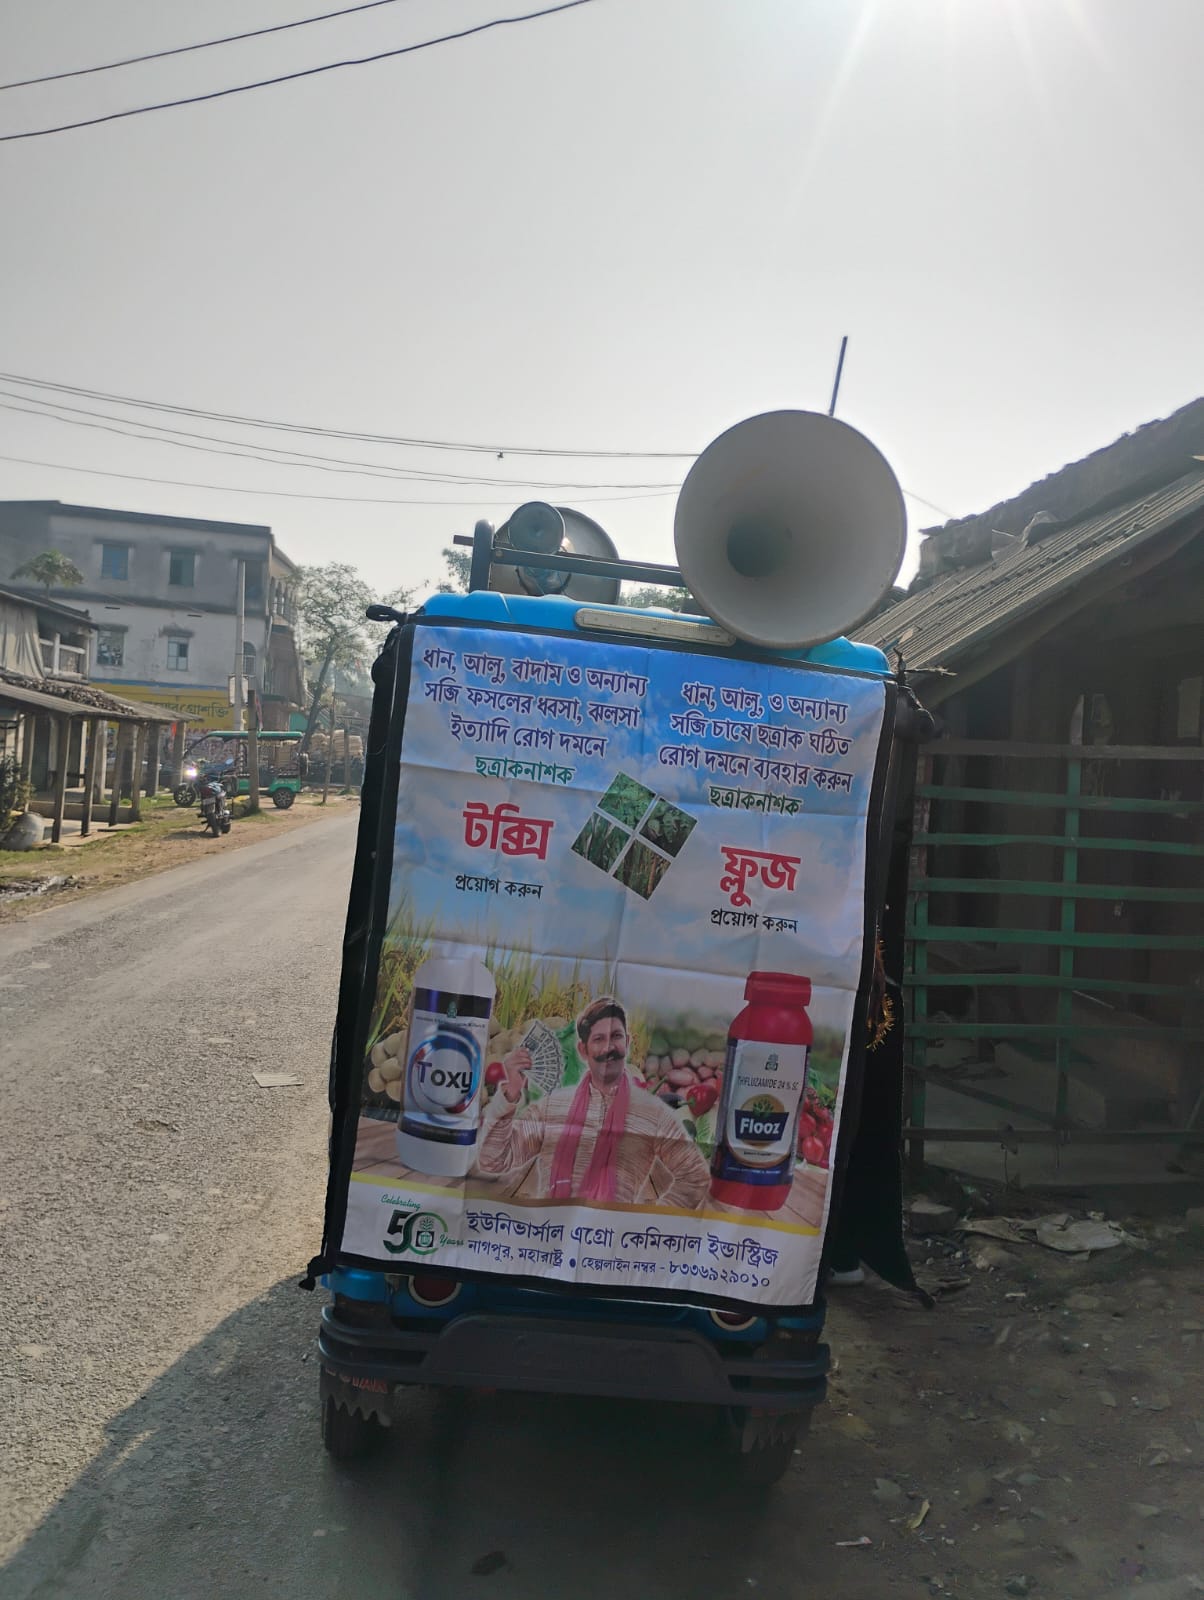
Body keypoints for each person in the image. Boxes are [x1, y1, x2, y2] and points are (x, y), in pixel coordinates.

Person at [475, 997, 710, 1208]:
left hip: (611, 1238)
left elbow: (695, 1177)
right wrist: (510, 1093)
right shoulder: (550, 1108)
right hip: (549, 1233)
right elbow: (493, 1160)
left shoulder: (652, 1113)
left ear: (627, 1043)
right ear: (582, 1050)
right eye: (598, 1039)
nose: (609, 1048)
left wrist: (645, 1222)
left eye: (616, 1037)